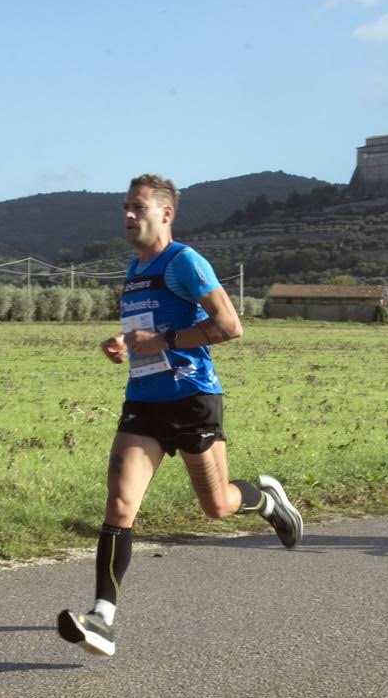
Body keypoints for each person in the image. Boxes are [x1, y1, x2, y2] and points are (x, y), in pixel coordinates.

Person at [57, 173, 303, 657]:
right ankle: (102, 618)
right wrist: (124, 344)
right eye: (125, 207)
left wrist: (165, 342)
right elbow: (147, 329)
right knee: (120, 505)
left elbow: (230, 327)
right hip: (144, 401)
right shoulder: (133, 268)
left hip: (192, 398)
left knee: (217, 506)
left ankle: (268, 501)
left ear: (165, 214)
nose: (129, 216)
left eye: (138, 208)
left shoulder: (184, 262)